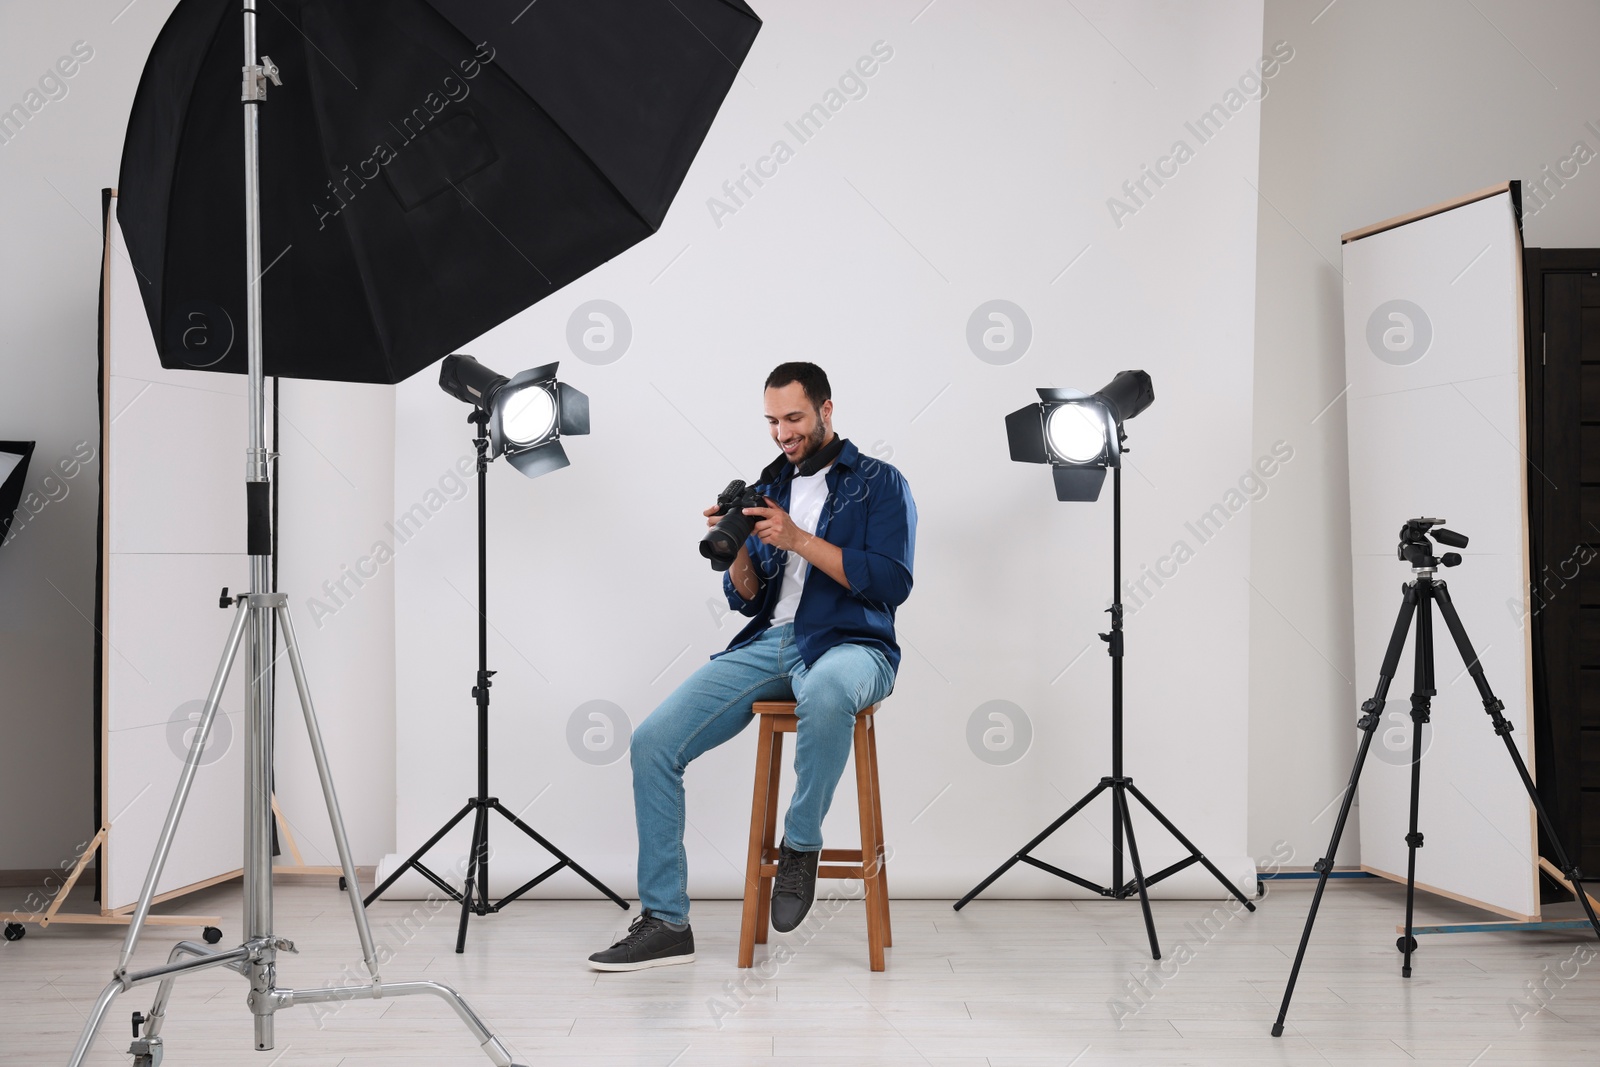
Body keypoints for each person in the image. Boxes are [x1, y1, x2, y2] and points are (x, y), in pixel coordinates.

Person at [588, 362, 917, 970]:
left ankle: (800, 844)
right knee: (653, 742)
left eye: (793, 418)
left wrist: (798, 539)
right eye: (771, 420)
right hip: (773, 641)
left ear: (826, 410)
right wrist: (738, 550)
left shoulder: (879, 482)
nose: (781, 432)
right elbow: (749, 594)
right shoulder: (773, 485)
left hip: (853, 642)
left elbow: (892, 583)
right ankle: (665, 920)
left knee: (827, 690)